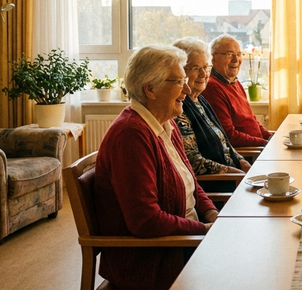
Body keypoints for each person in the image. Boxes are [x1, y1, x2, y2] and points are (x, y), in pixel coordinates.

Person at [94, 45, 218, 290]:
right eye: (178, 82)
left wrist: (212, 214)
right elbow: (146, 220)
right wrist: (204, 229)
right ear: (149, 89)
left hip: (185, 241)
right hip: (156, 259)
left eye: (185, 80)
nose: (187, 89)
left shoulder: (165, 124)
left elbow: (191, 184)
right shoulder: (131, 135)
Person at [173, 37, 251, 176]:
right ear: (180, 71)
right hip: (218, 182)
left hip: (234, 176)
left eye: (206, 67)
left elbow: (225, 143)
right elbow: (193, 162)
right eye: (196, 68)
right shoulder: (178, 107)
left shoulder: (200, 100)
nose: (204, 74)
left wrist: (242, 161)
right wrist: (235, 173)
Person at [203, 34, 274, 148]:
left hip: (258, 148)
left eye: (239, 54)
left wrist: (271, 138)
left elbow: (252, 121)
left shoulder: (234, 82)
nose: (236, 60)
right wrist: (265, 144)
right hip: (248, 153)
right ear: (213, 59)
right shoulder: (212, 87)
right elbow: (229, 136)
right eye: (229, 54)